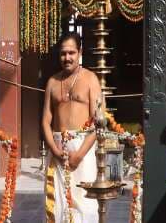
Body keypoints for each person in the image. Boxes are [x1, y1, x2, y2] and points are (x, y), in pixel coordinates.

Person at [42, 33, 102, 223]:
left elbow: (98, 121)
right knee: (58, 205)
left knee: (85, 205)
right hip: (58, 148)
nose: (67, 58)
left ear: (80, 53)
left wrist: (79, 154)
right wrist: (55, 149)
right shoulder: (52, 82)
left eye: (71, 53)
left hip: (82, 147)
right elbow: (45, 121)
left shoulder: (91, 79)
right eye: (63, 53)